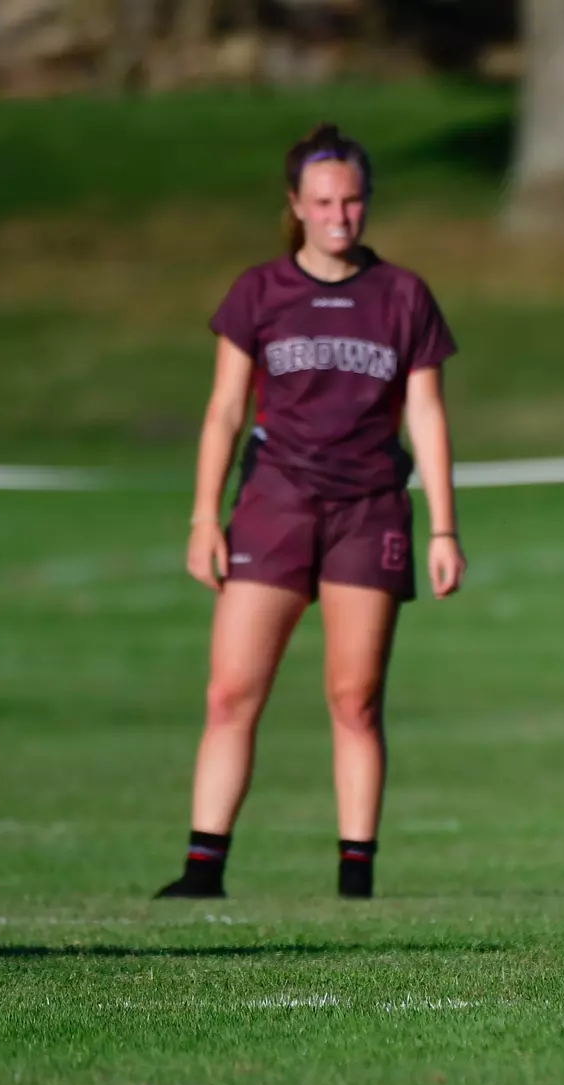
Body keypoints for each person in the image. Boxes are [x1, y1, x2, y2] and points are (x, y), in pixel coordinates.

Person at [154, 123, 464, 901]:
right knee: (230, 693)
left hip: (368, 510)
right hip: (276, 506)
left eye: (351, 201)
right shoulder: (258, 293)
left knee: (354, 699)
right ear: (295, 204)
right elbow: (225, 410)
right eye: (323, 202)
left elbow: (426, 413)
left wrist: (443, 527)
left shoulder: (402, 295)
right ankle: (202, 869)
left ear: (367, 202)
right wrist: (203, 517)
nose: (339, 216)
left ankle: (355, 877)